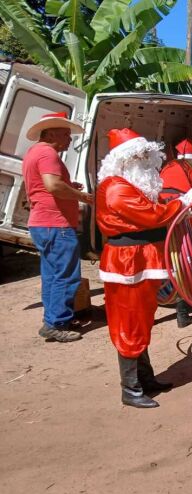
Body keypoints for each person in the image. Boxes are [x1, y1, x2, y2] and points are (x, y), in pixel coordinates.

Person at [96, 128, 192, 408]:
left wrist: (179, 201)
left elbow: (152, 206)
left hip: (141, 258)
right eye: (140, 156)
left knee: (141, 320)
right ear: (125, 160)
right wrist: (182, 202)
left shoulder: (130, 186)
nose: (147, 160)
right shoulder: (116, 188)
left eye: (148, 154)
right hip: (128, 262)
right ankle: (130, 388)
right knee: (130, 322)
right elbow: (150, 214)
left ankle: (144, 378)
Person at [22, 112, 93, 342]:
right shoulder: (48, 153)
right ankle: (56, 323)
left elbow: (44, 185)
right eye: (66, 134)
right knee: (65, 275)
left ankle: (53, 318)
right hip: (56, 223)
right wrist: (82, 195)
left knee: (52, 275)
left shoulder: (34, 152)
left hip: (43, 223)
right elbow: (52, 186)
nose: (70, 140)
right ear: (51, 132)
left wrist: (69, 186)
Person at [159, 139, 192, 328]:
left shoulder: (166, 168)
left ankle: (164, 305)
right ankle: (183, 313)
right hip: (185, 223)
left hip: (165, 222)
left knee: (171, 265)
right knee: (185, 266)